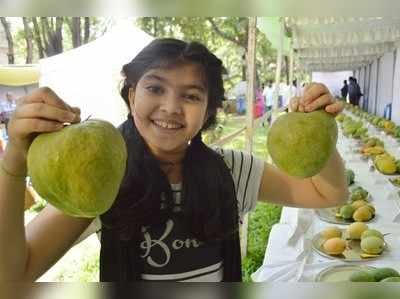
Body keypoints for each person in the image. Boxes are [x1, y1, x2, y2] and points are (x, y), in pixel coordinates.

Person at [0, 38, 347, 282]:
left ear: (209, 109)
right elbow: (12, 278)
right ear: (132, 93)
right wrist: (13, 167)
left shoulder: (232, 170)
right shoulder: (101, 175)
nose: (170, 107)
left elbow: (327, 195)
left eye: (191, 95)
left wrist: (320, 130)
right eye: (155, 88)